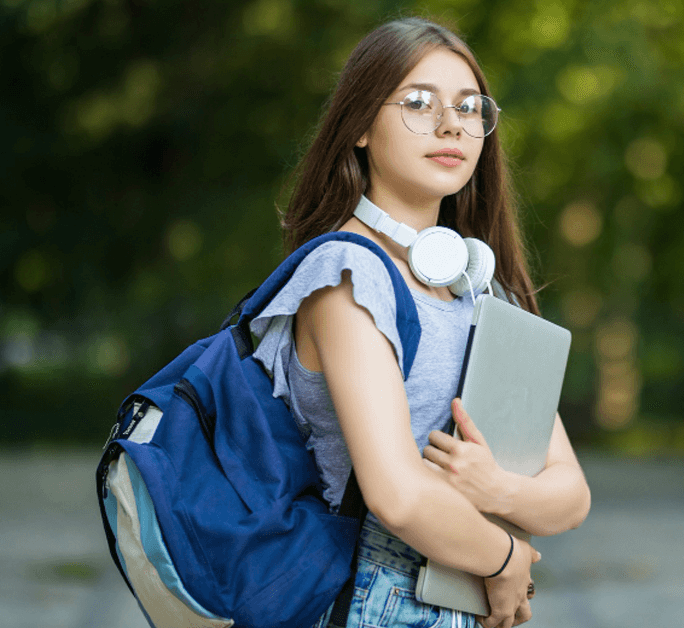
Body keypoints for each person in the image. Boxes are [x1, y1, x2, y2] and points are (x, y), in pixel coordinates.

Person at [249, 16, 591, 628]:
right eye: (417, 102)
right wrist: (506, 556)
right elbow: (398, 496)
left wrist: (498, 491)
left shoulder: (478, 288)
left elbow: (570, 494)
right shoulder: (346, 275)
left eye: (468, 107)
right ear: (357, 126)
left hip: (464, 607)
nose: (450, 123)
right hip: (363, 604)